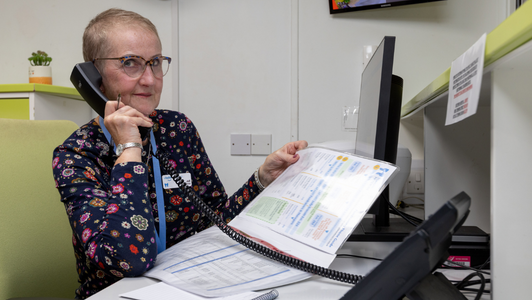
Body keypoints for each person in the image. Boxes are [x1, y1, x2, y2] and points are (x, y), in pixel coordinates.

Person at [52, 8, 307, 299]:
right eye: (130, 63)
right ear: (94, 75)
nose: (149, 79)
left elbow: (215, 223)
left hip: (186, 286)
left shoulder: (177, 129)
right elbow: (126, 260)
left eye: (155, 62)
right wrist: (130, 148)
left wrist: (261, 180)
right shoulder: (75, 155)